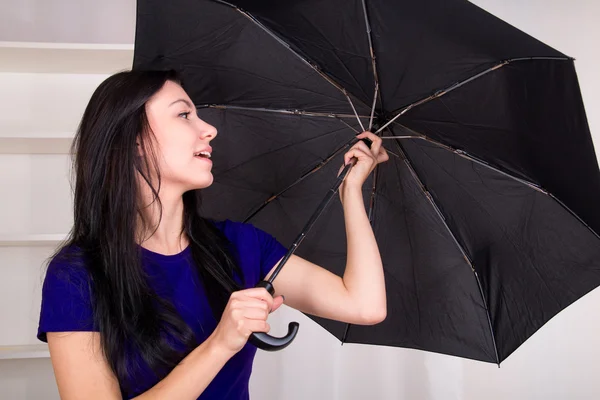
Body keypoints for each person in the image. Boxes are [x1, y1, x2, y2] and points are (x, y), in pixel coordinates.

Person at [37, 69, 389, 399]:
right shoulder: (77, 275)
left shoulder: (241, 246)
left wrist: (351, 192)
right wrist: (221, 343)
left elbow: (364, 306)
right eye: (184, 115)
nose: (209, 129)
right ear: (134, 142)